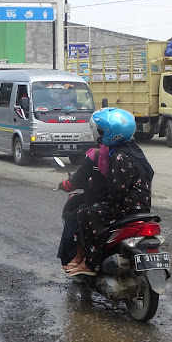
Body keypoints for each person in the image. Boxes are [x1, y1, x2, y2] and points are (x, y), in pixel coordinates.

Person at [68, 108, 154, 277]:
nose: (99, 134)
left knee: (86, 213)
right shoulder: (134, 150)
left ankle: (90, 264)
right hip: (143, 204)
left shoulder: (120, 156)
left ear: (111, 133)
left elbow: (117, 191)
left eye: (101, 131)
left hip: (127, 207)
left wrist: (104, 200)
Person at [57, 143, 110, 271]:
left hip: (104, 202)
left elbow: (76, 181)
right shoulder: (131, 153)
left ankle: (79, 258)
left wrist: (65, 184)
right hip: (131, 202)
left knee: (75, 217)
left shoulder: (97, 154)